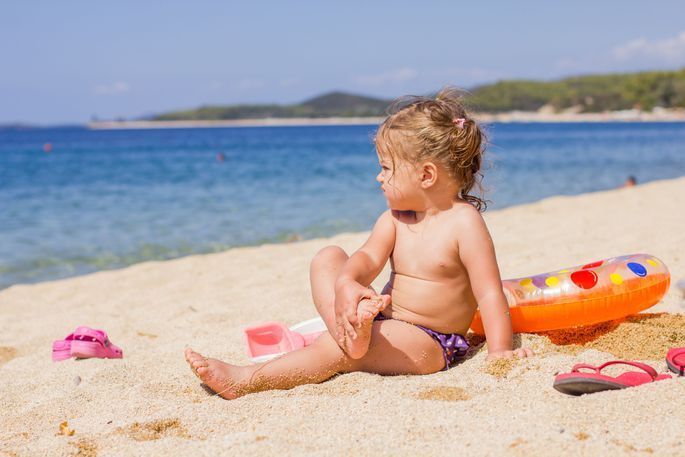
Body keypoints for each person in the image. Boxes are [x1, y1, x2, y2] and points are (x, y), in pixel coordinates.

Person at [185, 88, 533, 399]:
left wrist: (500, 350)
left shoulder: (464, 223)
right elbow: (366, 258)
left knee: (334, 351)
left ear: (426, 175)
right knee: (329, 257)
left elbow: (489, 293)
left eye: (387, 168)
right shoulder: (395, 219)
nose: (378, 177)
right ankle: (349, 331)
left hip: (428, 341)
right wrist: (348, 284)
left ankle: (246, 380)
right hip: (381, 319)